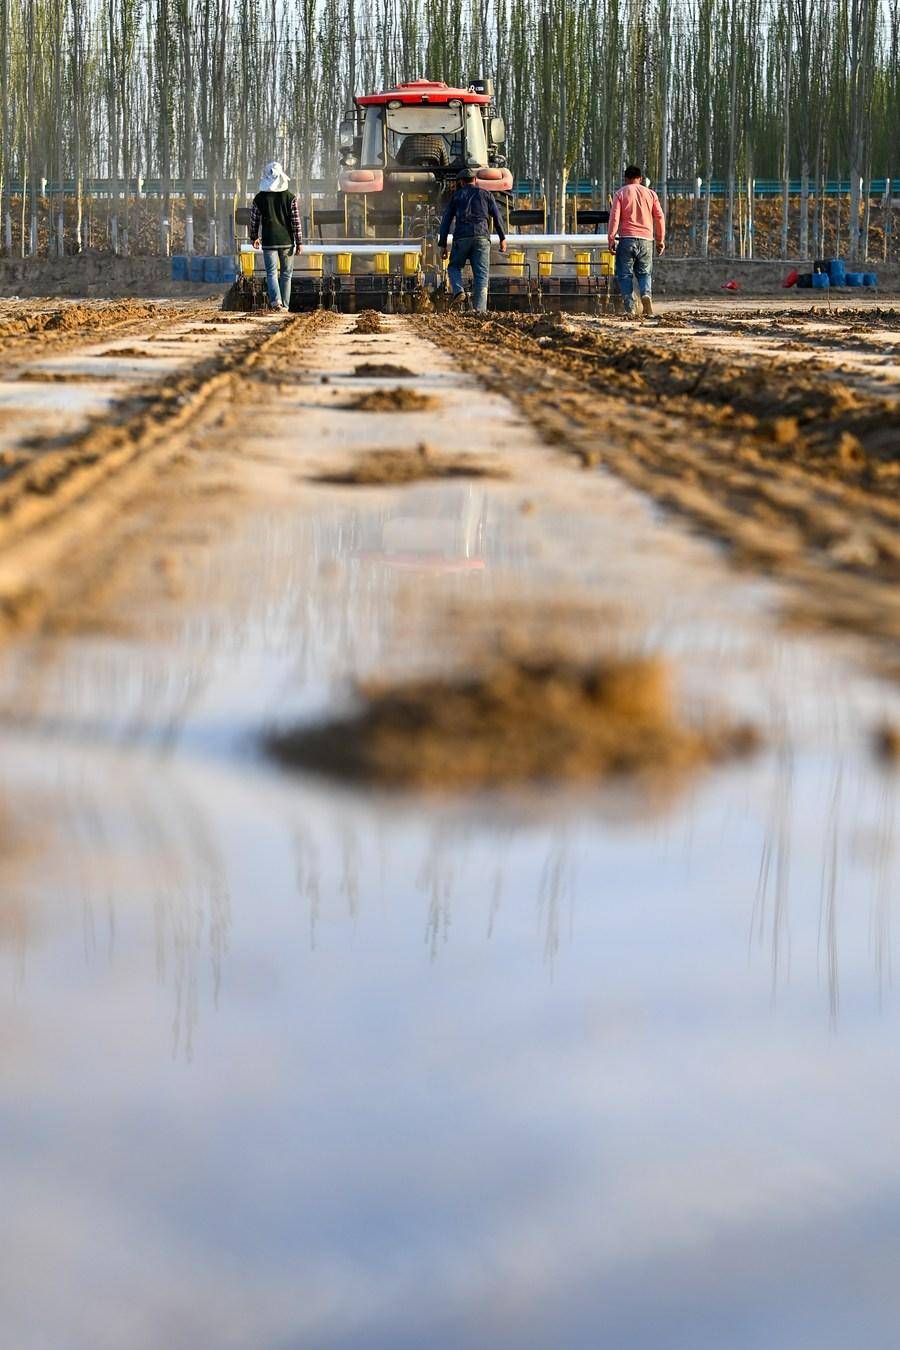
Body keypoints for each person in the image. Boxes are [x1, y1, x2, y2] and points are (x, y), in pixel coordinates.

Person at [438, 167, 508, 313]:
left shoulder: (456, 196)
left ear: (462, 182)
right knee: (481, 274)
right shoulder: (486, 195)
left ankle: (458, 291)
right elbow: (497, 216)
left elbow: (446, 221)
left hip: (462, 238)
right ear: (475, 180)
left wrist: (442, 244)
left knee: (454, 267)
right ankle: (480, 311)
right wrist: (502, 238)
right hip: (482, 238)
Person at [607, 165, 665, 318]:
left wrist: (611, 238)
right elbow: (659, 217)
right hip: (646, 239)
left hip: (626, 239)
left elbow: (614, 218)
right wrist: (660, 240)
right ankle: (646, 295)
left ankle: (630, 306)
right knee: (645, 272)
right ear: (640, 179)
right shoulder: (651, 194)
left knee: (625, 274)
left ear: (625, 179)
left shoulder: (620, 193)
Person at [249, 160, 303, 311]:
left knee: (271, 273)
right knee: (286, 274)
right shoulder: (290, 197)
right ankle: (285, 306)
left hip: (268, 241)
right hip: (286, 241)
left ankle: (276, 303)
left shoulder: (259, 198)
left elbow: (254, 220)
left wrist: (253, 237)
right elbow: (295, 221)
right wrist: (299, 242)